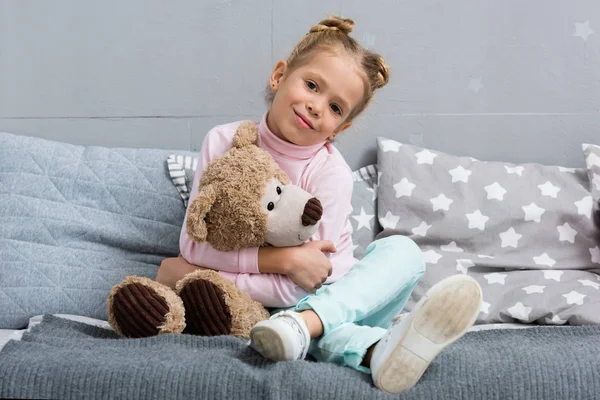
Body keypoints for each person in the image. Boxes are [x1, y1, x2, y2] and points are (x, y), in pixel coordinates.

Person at [156, 15, 482, 394]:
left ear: (339, 128)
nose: (316, 107)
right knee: (332, 335)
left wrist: (188, 274)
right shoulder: (224, 142)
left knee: (404, 252)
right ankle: (376, 349)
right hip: (275, 315)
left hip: (338, 297)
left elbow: (309, 283)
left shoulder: (330, 173)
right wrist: (286, 261)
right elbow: (194, 243)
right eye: (311, 86)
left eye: (335, 108)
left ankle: (302, 329)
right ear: (279, 76)